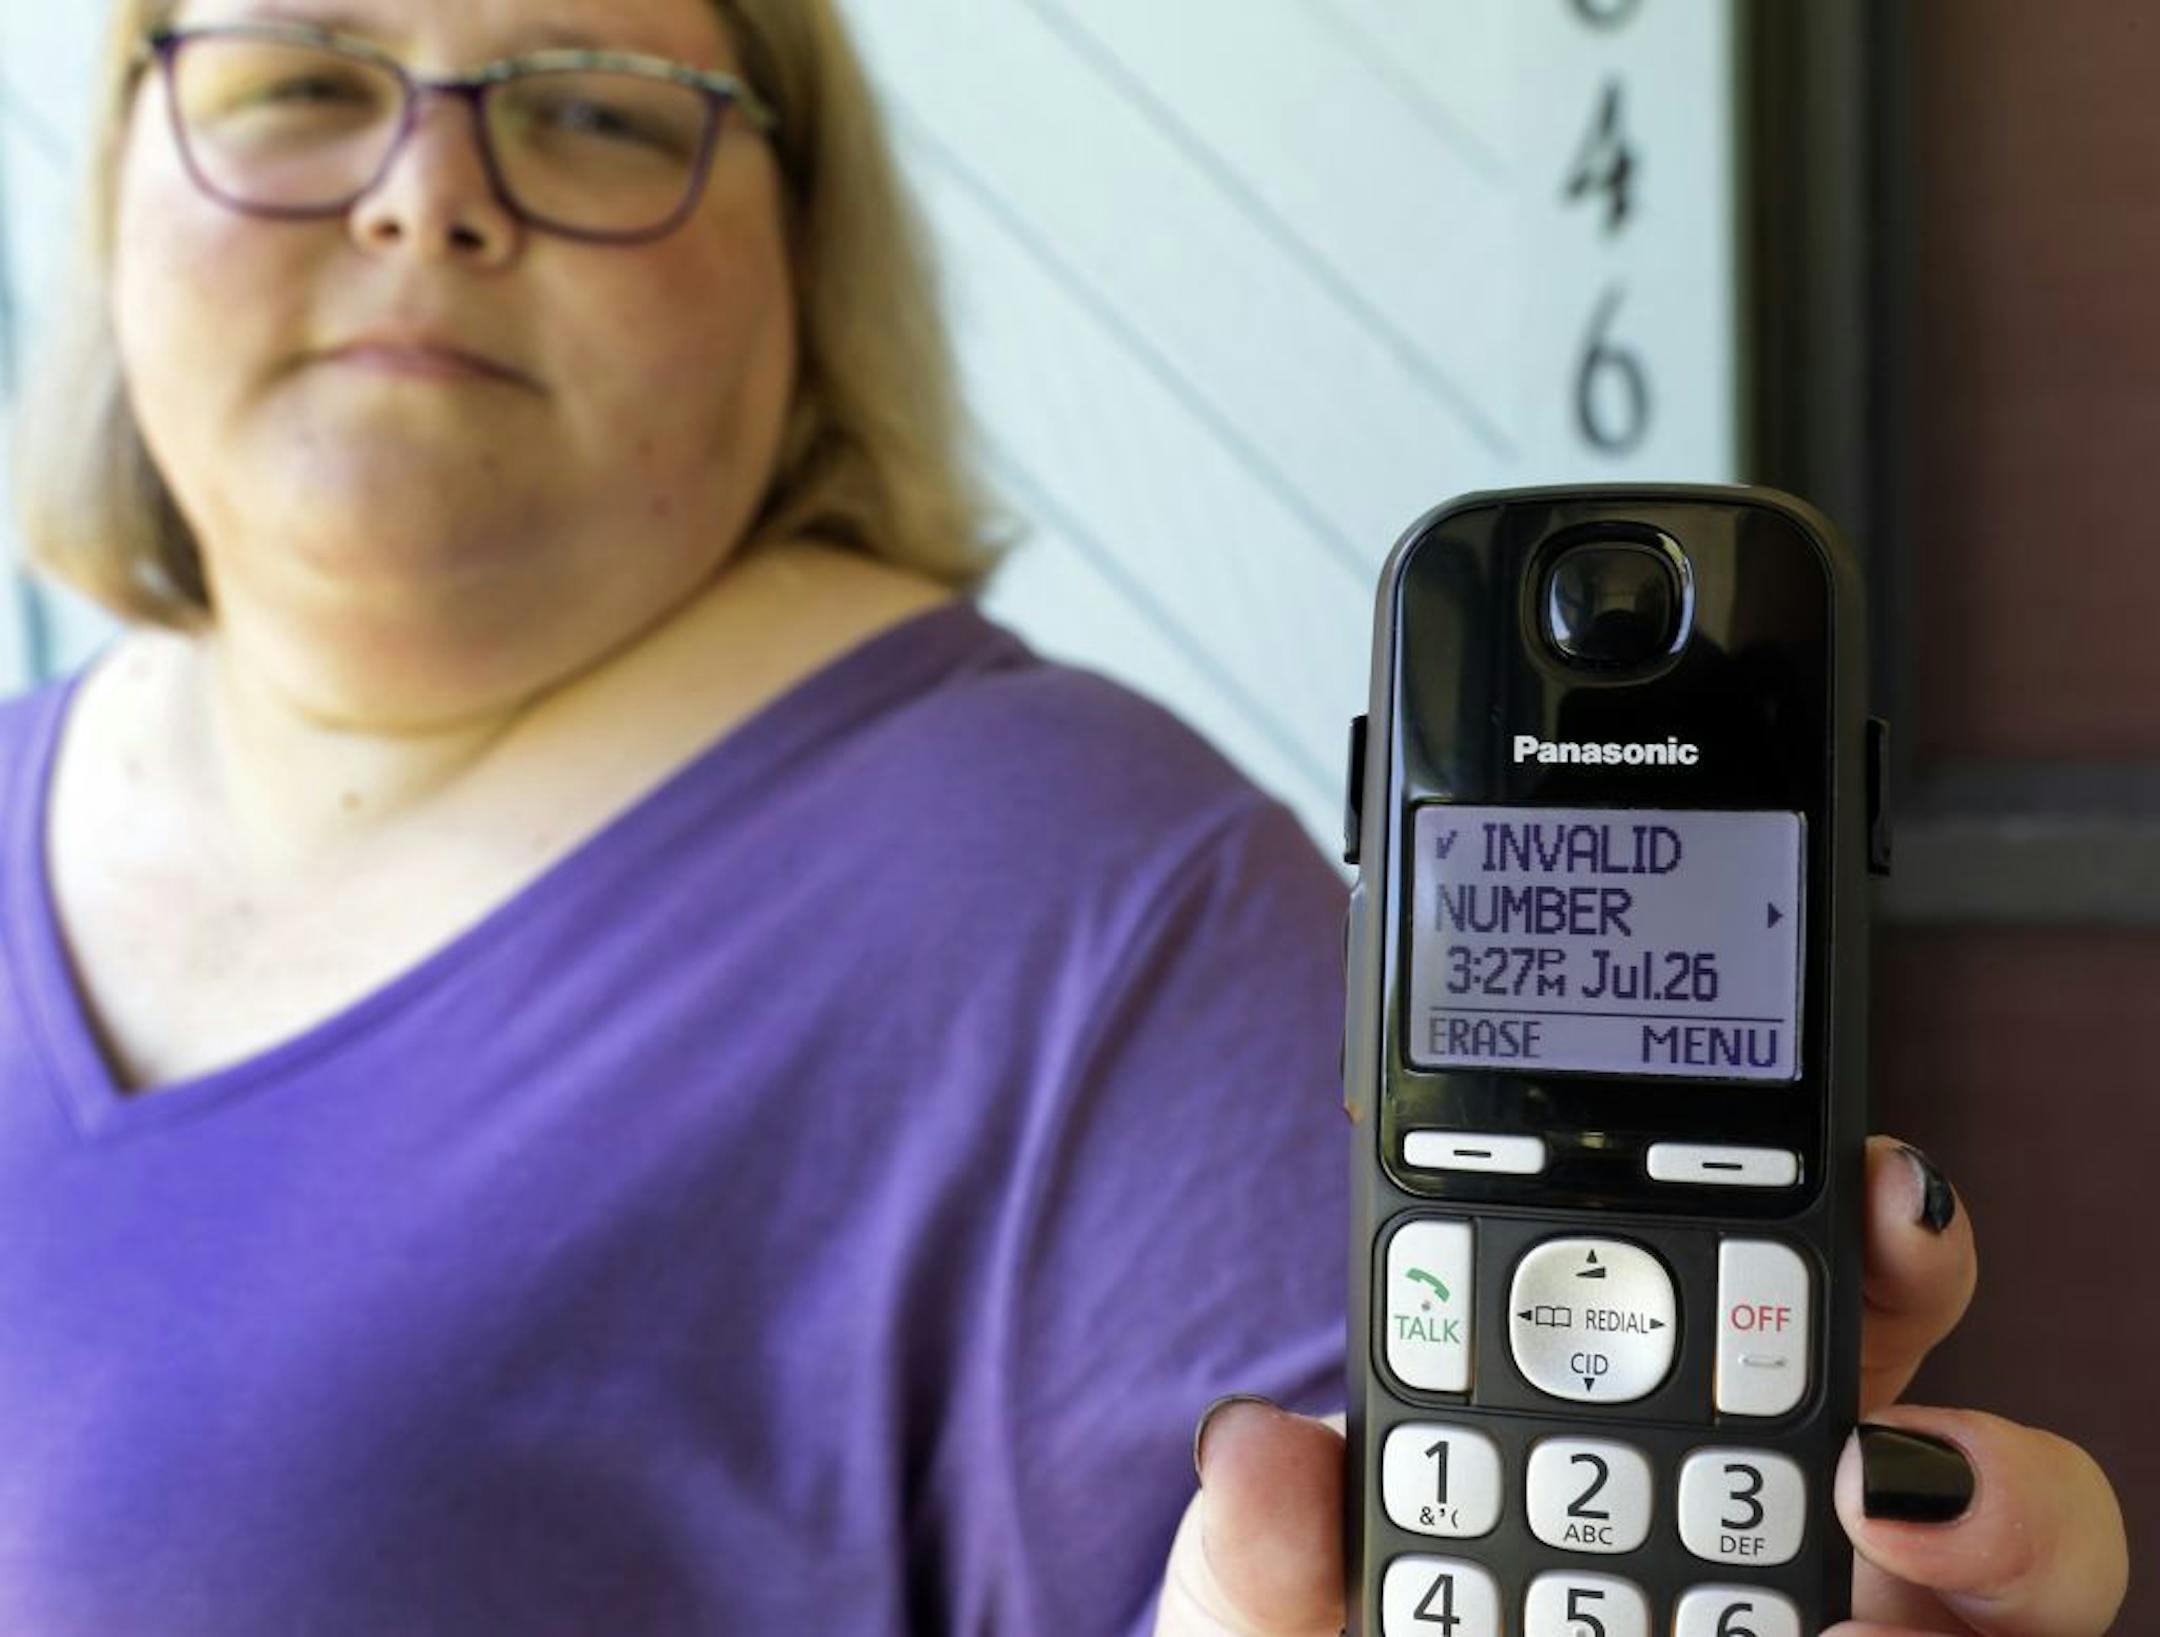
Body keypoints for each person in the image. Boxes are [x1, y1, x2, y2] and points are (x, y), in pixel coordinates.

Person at [2, 0, 2127, 1632]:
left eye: (592, 106)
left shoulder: (1114, 898)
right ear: (113, 176)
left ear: (806, 266)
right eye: (294, 79)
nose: (423, 195)